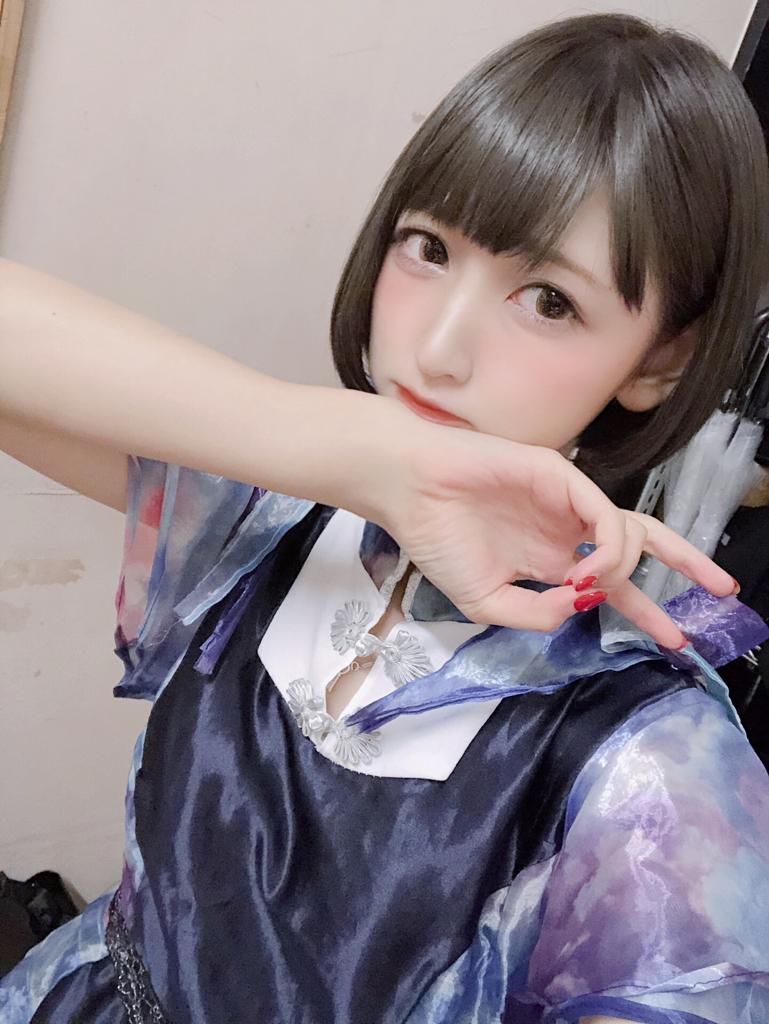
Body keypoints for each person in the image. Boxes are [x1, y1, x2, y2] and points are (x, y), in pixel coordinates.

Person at [1, 11, 769, 1023]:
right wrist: (356, 449)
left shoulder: (650, 764)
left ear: (660, 359)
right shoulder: (270, 523)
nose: (437, 348)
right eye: (426, 246)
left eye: (547, 299)